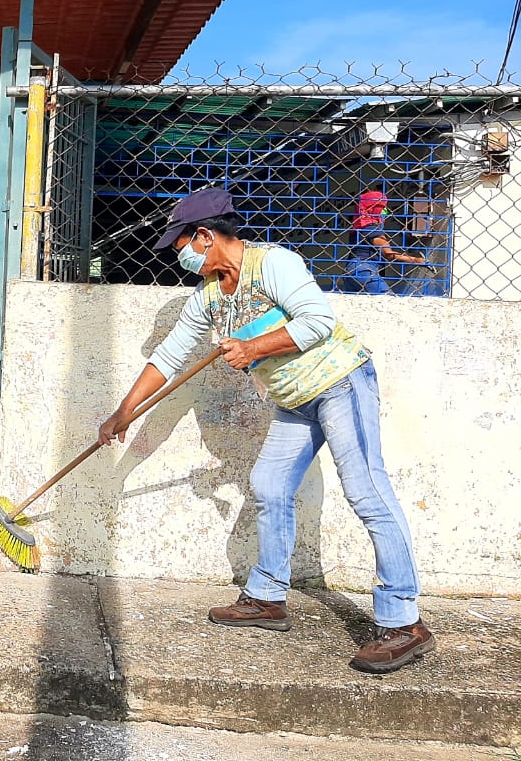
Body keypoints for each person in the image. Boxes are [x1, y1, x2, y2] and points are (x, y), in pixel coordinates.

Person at [97, 188, 433, 674]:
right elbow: (169, 356)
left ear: (207, 236)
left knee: (367, 493)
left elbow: (318, 321)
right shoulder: (210, 295)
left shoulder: (273, 263)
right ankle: (268, 598)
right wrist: (124, 411)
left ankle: (404, 621)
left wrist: (253, 348)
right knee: (269, 486)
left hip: (340, 383)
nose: (183, 257)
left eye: (183, 246)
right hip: (294, 400)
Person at [344, 189, 426, 295]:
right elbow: (388, 254)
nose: (385, 211)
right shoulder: (373, 229)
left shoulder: (358, 228)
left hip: (350, 270)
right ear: (374, 208)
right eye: (382, 207)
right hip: (364, 270)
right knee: (388, 299)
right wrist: (416, 260)